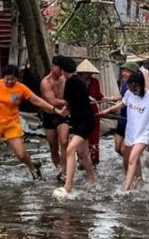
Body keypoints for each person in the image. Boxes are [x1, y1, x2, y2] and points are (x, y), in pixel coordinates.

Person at [58, 57, 98, 194]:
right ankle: (92, 177)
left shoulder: (70, 82)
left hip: (84, 121)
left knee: (70, 150)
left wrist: (64, 110)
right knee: (82, 153)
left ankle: (68, 186)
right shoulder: (79, 81)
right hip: (83, 119)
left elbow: (67, 103)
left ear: (63, 70)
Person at [40, 56, 70, 182]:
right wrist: (69, 101)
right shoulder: (45, 82)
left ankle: (65, 171)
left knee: (64, 141)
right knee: (53, 145)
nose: (61, 71)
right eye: (59, 68)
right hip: (49, 114)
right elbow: (51, 101)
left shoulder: (65, 78)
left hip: (63, 114)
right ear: (53, 66)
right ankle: (58, 167)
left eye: (63, 69)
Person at [76, 59, 104, 166]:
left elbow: (99, 97)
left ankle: (93, 162)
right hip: (80, 114)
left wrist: (111, 98)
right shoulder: (76, 82)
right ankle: (82, 160)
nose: (89, 74)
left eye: (90, 72)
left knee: (94, 138)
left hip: (93, 113)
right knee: (81, 138)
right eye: (86, 72)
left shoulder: (95, 82)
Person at [114, 61, 139, 171]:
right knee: (117, 148)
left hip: (131, 122)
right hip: (122, 120)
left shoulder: (137, 87)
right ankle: (132, 160)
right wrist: (118, 101)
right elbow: (124, 98)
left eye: (127, 71)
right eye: (124, 71)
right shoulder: (124, 83)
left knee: (124, 149)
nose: (124, 73)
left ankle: (130, 173)